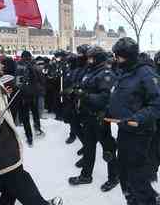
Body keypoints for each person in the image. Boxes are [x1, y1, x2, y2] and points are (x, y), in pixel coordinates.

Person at [0, 51, 63, 205]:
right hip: (1, 148)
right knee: (20, 180)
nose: (2, 65)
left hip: (5, 145)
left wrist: (3, 93)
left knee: (11, 186)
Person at [106, 37, 160, 205]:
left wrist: (137, 119)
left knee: (137, 174)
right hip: (124, 130)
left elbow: (156, 103)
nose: (116, 60)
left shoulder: (145, 73)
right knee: (123, 170)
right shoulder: (125, 72)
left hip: (140, 133)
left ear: (128, 56)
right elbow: (120, 97)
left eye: (119, 56)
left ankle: (149, 201)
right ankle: (132, 199)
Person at [68, 46, 119, 192]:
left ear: (98, 59)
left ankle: (114, 177)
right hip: (88, 116)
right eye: (88, 57)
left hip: (100, 118)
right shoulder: (90, 72)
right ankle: (86, 175)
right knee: (89, 147)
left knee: (108, 149)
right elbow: (86, 87)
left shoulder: (106, 74)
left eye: (91, 58)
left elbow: (105, 98)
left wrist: (85, 96)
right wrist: (76, 90)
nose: (89, 60)